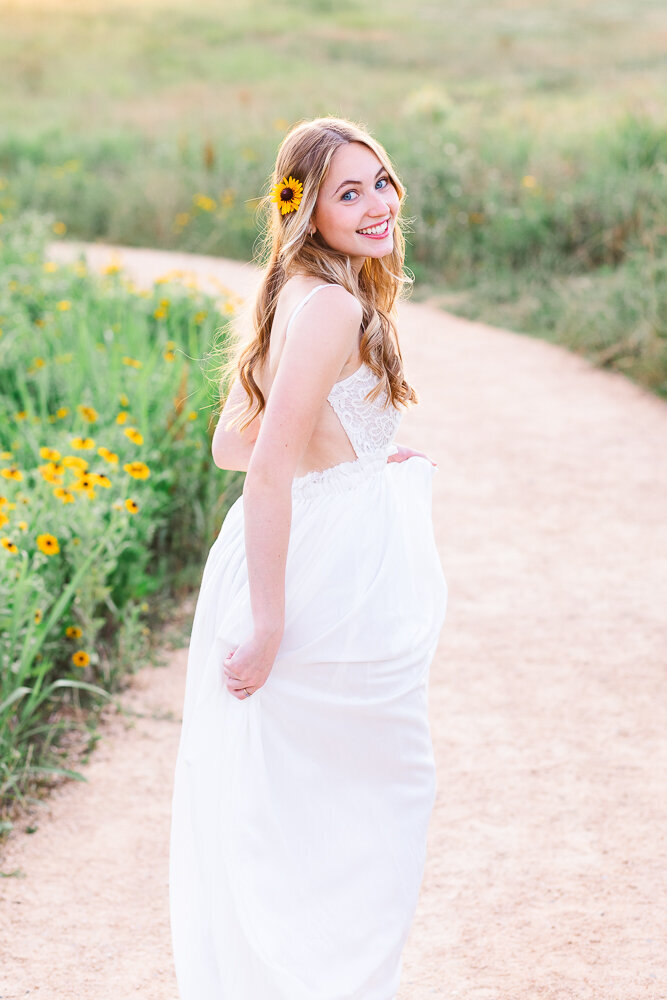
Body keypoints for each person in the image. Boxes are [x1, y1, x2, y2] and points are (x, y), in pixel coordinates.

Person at [169, 115, 447, 1000]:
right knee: (376, 799)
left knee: (315, 804)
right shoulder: (330, 304)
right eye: (347, 192)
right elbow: (263, 469)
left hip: (326, 543)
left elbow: (231, 443)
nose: (377, 205)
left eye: (381, 181)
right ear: (306, 210)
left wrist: (359, 456)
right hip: (317, 576)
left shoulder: (301, 288)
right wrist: (268, 621)